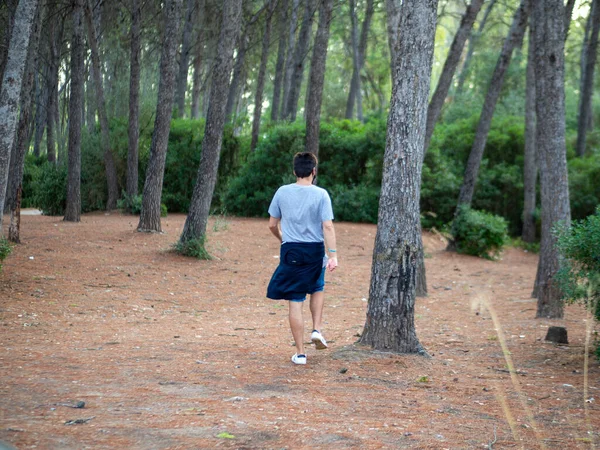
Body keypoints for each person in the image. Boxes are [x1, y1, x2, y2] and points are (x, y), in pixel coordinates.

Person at [266, 152, 338, 365]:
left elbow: (271, 224)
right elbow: (327, 226)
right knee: (317, 287)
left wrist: (282, 239)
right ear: (314, 171)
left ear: (294, 171)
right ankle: (316, 329)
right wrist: (333, 255)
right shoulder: (321, 194)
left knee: (295, 299)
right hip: (315, 250)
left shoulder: (282, 192)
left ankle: (300, 353)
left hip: (291, 251)